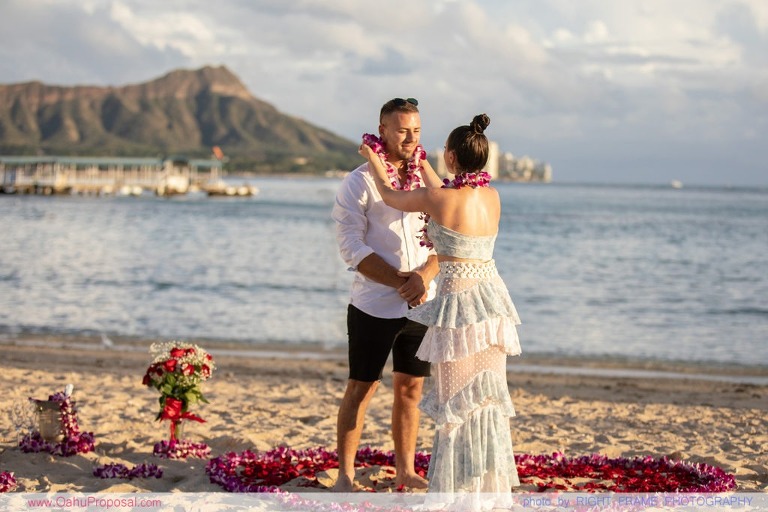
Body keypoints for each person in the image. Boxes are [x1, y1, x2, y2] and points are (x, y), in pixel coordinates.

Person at [358, 113, 522, 507]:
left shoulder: (440, 198)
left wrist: (372, 154)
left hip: (460, 307)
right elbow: (446, 191)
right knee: (483, 400)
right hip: (492, 304)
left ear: (451, 156)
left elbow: (389, 195)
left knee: (455, 401)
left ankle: (456, 496)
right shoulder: (491, 196)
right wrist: (422, 162)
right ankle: (487, 494)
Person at [331, 97, 442, 491]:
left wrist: (425, 275)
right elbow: (351, 247)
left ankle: (406, 470)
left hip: (422, 305)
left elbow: (446, 237)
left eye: (416, 130)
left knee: (410, 388)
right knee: (362, 387)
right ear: (382, 131)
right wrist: (401, 281)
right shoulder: (358, 181)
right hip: (373, 305)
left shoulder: (426, 180)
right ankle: (345, 474)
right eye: (402, 130)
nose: (411, 138)